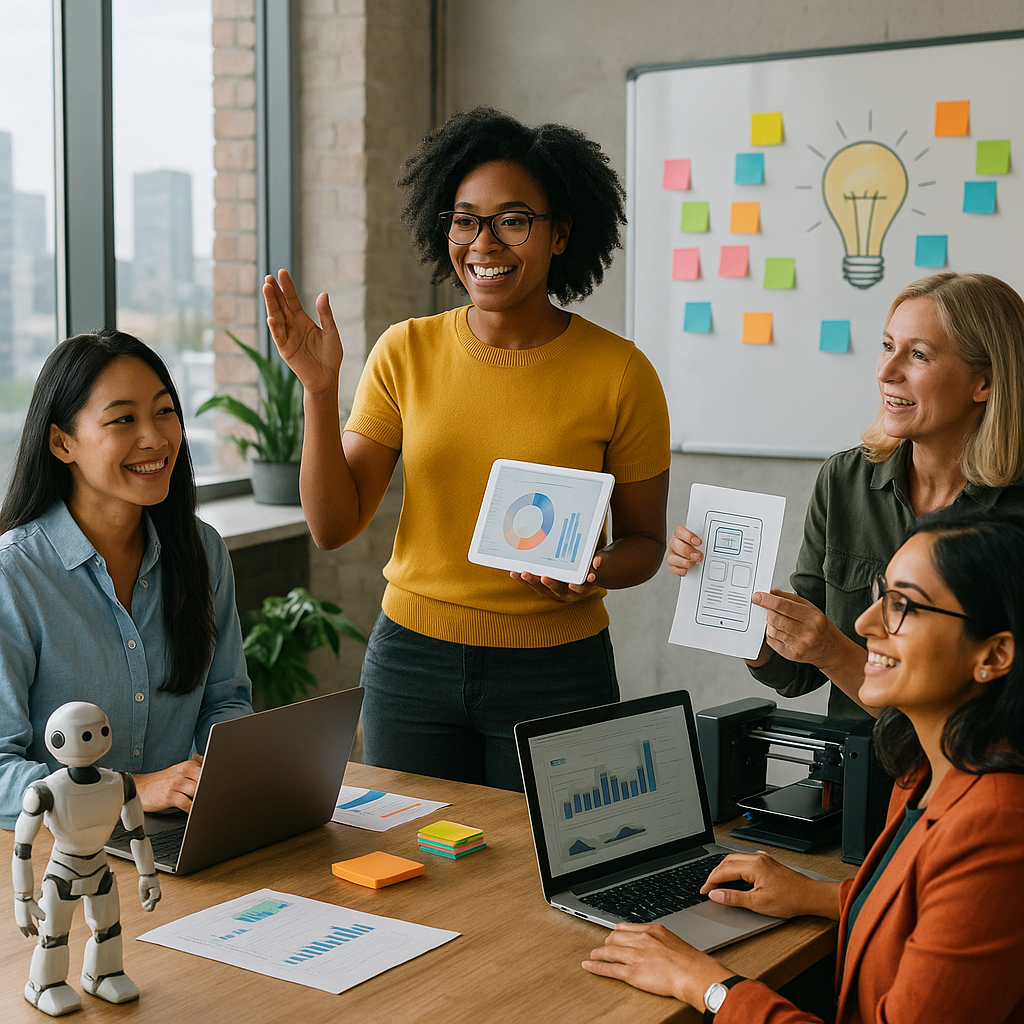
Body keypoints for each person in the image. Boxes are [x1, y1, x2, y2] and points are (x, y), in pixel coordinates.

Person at [263, 107, 670, 790]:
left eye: (513, 220)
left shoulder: (621, 373)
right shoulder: (406, 350)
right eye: (465, 219)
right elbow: (332, 527)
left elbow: (645, 544)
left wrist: (594, 569)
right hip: (410, 665)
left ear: (561, 233)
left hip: (557, 670)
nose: (485, 242)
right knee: (410, 876)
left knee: (536, 883)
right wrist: (318, 387)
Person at [585, 507, 1024, 1022]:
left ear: (993, 655)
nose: (864, 623)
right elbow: (921, 907)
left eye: (903, 606)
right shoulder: (925, 771)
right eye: (882, 594)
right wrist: (813, 894)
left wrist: (702, 982)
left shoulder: (997, 827)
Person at [668, 272, 1024, 719]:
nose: (886, 371)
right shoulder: (845, 479)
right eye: (887, 346)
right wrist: (726, 595)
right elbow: (799, 673)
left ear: (985, 384)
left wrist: (833, 650)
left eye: (918, 354)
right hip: (853, 775)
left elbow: (992, 712)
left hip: (969, 779)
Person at [0, 330, 252, 829]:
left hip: (179, 840)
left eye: (164, 411)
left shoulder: (203, 551)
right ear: (61, 442)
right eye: (123, 419)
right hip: (63, 860)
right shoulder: (15, 576)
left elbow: (226, 703)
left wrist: (220, 781)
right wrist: (130, 792)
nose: (156, 439)